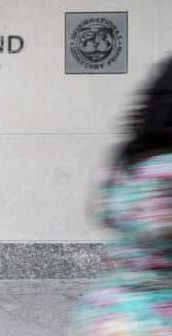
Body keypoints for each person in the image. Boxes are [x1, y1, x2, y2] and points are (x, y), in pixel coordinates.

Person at [69, 56, 172, 335]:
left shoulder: (124, 163)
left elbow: (100, 212)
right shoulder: (165, 171)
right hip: (155, 319)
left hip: (107, 312)